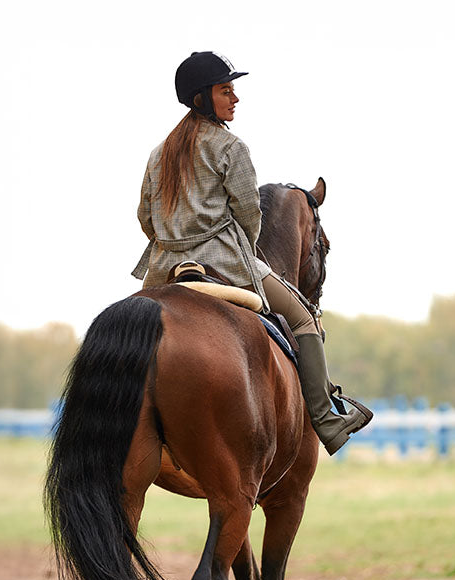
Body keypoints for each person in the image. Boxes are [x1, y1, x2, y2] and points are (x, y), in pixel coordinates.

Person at [133, 51, 371, 455]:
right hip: (224, 259)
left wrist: (173, 239)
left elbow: (144, 216)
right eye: (226, 90)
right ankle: (329, 419)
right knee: (302, 317)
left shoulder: (159, 153)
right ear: (200, 99)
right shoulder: (230, 147)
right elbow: (248, 214)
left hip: (164, 269)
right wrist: (238, 247)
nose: (235, 98)